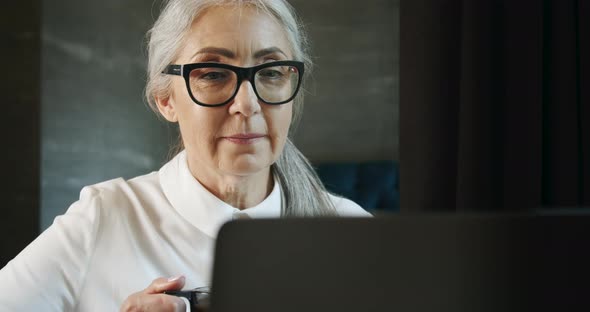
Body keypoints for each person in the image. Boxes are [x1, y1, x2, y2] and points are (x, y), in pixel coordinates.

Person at [0, 0, 370, 311]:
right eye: (212, 74)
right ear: (166, 99)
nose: (247, 103)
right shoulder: (104, 218)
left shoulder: (354, 234)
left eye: (271, 72)